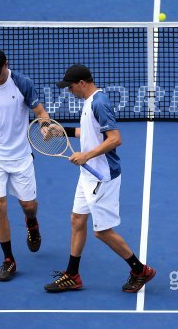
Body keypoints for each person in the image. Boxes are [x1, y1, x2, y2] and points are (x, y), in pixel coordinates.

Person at [44, 64, 156, 293]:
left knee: (102, 232)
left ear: (82, 83)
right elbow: (89, 133)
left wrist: (86, 155)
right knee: (77, 219)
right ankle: (72, 275)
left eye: (71, 86)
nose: (69, 91)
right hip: (87, 174)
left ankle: (140, 270)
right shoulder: (89, 103)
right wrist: (61, 130)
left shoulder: (99, 102)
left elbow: (115, 139)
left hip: (101, 177)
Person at [0, 49, 51, 281]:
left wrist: (45, 126)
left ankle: (32, 222)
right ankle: (8, 259)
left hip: (19, 156)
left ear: (7, 64)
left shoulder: (22, 83)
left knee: (28, 205)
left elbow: (40, 111)